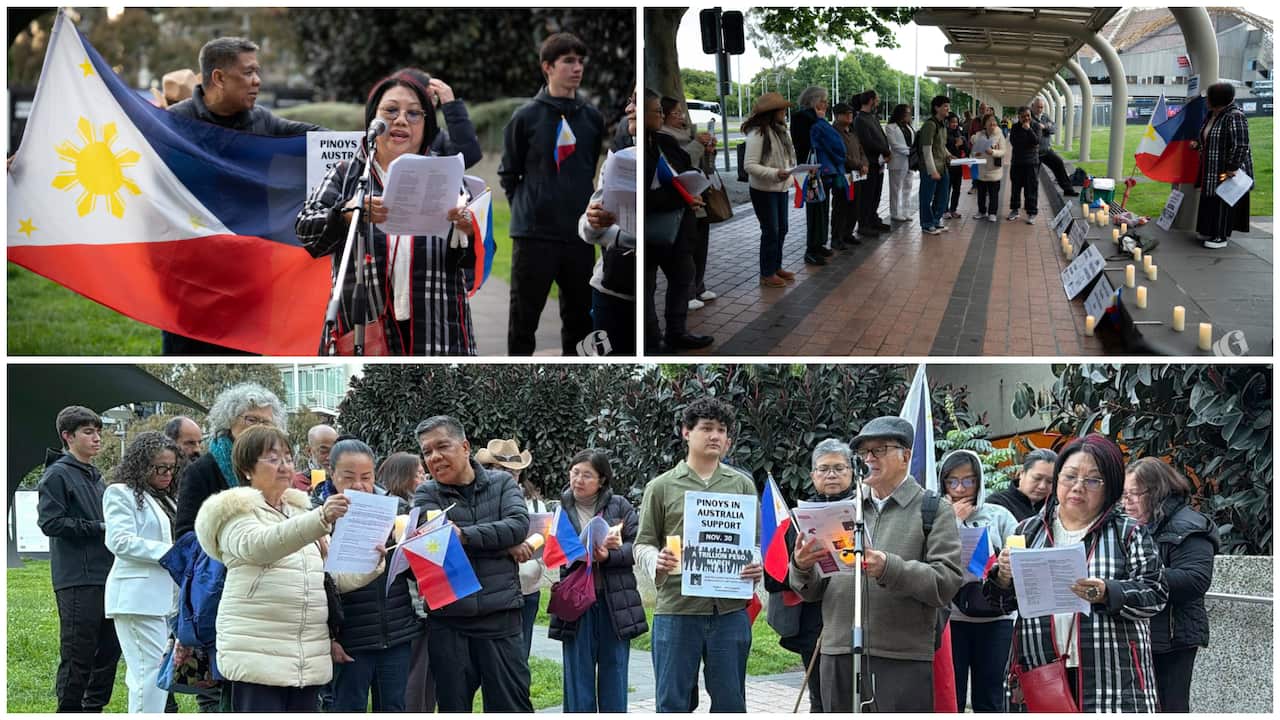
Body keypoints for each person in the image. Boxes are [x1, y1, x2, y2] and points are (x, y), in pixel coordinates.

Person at [193, 424, 373, 712]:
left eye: (288, 458)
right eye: (273, 458)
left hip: (305, 655)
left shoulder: (301, 513)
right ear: (247, 468)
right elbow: (262, 545)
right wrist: (321, 517)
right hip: (258, 654)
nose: (284, 466)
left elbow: (330, 579)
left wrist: (374, 562)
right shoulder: (236, 514)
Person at [297, 71, 478, 356]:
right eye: (391, 110)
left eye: (414, 114)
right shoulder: (346, 174)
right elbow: (306, 230)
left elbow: (472, 265)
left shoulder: (447, 175)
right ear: (373, 119)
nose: (402, 120)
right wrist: (346, 213)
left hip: (437, 327)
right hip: (361, 326)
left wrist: (468, 231)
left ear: (426, 125)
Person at [983, 434, 1167, 712]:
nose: (1078, 487)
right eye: (1069, 476)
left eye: (1093, 480)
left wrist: (1108, 592)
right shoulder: (1028, 531)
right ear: (1057, 480)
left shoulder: (1128, 532)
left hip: (1112, 676)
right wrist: (1004, 576)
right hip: (1040, 669)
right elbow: (1000, 604)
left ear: (1111, 487)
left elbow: (1155, 594)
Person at [789, 420, 963, 712]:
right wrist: (801, 566)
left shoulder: (932, 509)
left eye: (879, 450)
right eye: (864, 452)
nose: (869, 459)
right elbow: (813, 590)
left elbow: (945, 583)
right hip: (839, 651)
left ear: (906, 456)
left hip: (901, 657)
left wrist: (888, 568)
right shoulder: (845, 510)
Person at [165, 36, 321, 356]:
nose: (258, 81)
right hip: (189, 283)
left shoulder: (262, 121)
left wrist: (373, 141)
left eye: (257, 72)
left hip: (249, 279)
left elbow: (317, 140)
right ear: (219, 78)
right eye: (248, 73)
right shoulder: (173, 125)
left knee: (247, 354)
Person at [634, 397, 764, 712]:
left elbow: (757, 542)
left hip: (730, 612)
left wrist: (755, 563)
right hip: (677, 610)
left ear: (729, 439)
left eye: (722, 430)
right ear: (686, 433)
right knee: (672, 702)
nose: (715, 436)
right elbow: (642, 543)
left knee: (731, 703)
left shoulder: (742, 485)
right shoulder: (661, 486)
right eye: (706, 428)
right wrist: (657, 560)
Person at [412, 416, 533, 712]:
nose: (435, 457)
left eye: (442, 446)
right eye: (427, 452)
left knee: (512, 707)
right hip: (449, 622)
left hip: (500, 618)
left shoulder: (502, 482)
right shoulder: (426, 494)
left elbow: (518, 526)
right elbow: (437, 549)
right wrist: (502, 546)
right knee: (453, 708)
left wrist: (464, 535)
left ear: (465, 447)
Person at [499, 32, 604, 356]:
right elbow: (508, 173)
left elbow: (588, 170)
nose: (577, 68)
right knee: (523, 322)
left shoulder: (592, 117)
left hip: (579, 237)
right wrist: (529, 208)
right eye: (569, 61)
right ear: (547, 67)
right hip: (533, 237)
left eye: (581, 61)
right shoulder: (525, 116)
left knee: (581, 324)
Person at [547, 449, 647, 712]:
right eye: (575, 473)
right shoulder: (559, 510)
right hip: (576, 602)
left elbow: (637, 546)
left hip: (614, 601)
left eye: (587, 475)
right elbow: (551, 551)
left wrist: (608, 555)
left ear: (602, 480)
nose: (578, 480)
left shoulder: (620, 506)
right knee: (577, 674)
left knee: (614, 670)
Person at [326, 439, 420, 712]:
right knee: (347, 707)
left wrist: (409, 544)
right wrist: (330, 637)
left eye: (366, 477)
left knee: (393, 707)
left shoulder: (395, 511)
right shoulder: (318, 518)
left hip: (396, 632)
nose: (358, 485)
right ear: (332, 474)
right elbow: (317, 586)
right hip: (350, 639)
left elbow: (413, 573)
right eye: (348, 477)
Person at [37, 406, 121, 713]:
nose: (97, 438)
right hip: (77, 579)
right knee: (78, 656)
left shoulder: (96, 476)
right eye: (88, 432)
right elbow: (50, 523)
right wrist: (97, 527)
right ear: (67, 436)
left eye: (98, 431)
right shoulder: (56, 474)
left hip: (107, 576)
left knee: (109, 653)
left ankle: (93, 710)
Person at [1122, 457, 1218, 712]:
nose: (1126, 501)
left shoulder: (1188, 525)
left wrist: (1138, 577)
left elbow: (1195, 579)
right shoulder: (1138, 526)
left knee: (1170, 706)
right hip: (1142, 630)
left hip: (1175, 634)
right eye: (1123, 494)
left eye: (1134, 494)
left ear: (1157, 492)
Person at [103, 431, 180, 713]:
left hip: (162, 599)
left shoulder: (166, 499)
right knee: (148, 675)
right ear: (141, 464)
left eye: (171, 467)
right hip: (137, 597)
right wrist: (170, 552)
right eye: (160, 467)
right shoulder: (119, 493)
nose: (167, 473)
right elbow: (119, 541)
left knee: (152, 674)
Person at [937, 450, 1018, 712]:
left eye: (968, 481)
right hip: (953, 619)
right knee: (952, 695)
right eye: (953, 481)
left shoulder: (999, 515)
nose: (961, 489)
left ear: (979, 482)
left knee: (991, 696)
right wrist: (951, 521)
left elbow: (1019, 556)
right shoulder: (935, 516)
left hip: (996, 619)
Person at [644, 89, 711, 352]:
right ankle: (652, 339)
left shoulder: (665, 142)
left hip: (679, 225)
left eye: (662, 110)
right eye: (657, 111)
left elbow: (685, 170)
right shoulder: (633, 147)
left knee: (683, 276)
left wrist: (693, 184)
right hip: (649, 229)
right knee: (647, 285)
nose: (661, 115)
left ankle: (677, 331)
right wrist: (682, 197)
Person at [175, 382, 287, 538]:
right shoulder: (201, 471)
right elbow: (185, 536)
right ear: (229, 420)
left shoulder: (278, 469)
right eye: (251, 419)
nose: (259, 427)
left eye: (266, 423)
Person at [579, 89, 637, 355]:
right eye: (630, 100)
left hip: (642, 289)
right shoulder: (617, 162)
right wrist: (594, 221)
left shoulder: (659, 160)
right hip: (609, 289)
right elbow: (587, 229)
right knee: (601, 358)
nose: (629, 108)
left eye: (637, 101)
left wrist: (616, 235)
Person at [474, 438, 543, 659]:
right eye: (501, 470)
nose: (508, 476)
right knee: (491, 655)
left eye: (513, 472)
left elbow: (545, 539)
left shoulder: (534, 504)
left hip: (528, 585)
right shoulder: (481, 501)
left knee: (522, 652)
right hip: (494, 588)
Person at [657, 96, 714, 310]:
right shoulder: (663, 138)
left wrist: (708, 151)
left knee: (701, 245)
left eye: (682, 112)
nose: (681, 116)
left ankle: (698, 286)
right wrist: (698, 144)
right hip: (684, 198)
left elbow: (703, 167)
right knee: (686, 249)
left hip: (700, 194)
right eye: (676, 113)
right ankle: (688, 292)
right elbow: (681, 165)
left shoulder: (688, 135)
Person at [742, 92, 798, 289]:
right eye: (782, 109)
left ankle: (776, 266)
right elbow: (749, 165)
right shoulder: (758, 133)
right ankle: (767, 273)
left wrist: (788, 175)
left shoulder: (780, 131)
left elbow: (787, 160)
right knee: (771, 231)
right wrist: (776, 173)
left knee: (782, 229)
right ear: (772, 112)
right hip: (763, 190)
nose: (785, 112)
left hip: (780, 189)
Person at [1192, 82, 1255, 249]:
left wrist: (1231, 168)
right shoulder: (1213, 115)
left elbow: (1241, 144)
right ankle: (1208, 230)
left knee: (1222, 201)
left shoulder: (1234, 116)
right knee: (1210, 199)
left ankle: (1220, 236)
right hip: (1211, 167)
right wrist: (1198, 144)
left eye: (1209, 98)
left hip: (1226, 170)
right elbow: (1210, 137)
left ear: (1216, 100)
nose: (1206, 101)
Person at [391, 67, 483, 169]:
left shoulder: (437, 138)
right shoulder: (379, 134)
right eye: (429, 97)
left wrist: (451, 106)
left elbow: (468, 156)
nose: (433, 104)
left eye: (435, 98)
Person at [793, 87, 835, 266]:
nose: (826, 105)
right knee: (814, 209)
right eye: (823, 101)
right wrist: (819, 120)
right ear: (813, 101)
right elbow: (809, 141)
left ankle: (820, 243)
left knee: (823, 206)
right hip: (810, 169)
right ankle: (811, 248)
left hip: (821, 169)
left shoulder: (817, 118)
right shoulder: (802, 118)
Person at [853, 90, 892, 236]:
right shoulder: (860, 119)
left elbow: (881, 136)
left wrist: (886, 151)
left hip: (879, 162)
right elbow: (867, 142)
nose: (878, 101)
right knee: (867, 194)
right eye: (877, 99)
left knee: (876, 193)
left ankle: (873, 218)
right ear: (871, 100)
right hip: (869, 162)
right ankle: (864, 224)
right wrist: (885, 152)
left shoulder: (872, 117)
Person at [832, 102, 869, 250]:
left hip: (857, 176)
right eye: (846, 113)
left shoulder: (852, 132)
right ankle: (837, 237)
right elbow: (841, 155)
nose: (850, 116)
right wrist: (859, 165)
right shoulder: (834, 132)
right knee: (841, 206)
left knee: (854, 205)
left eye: (851, 114)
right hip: (843, 175)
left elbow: (861, 151)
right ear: (837, 115)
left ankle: (848, 233)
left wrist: (865, 164)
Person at [985, 448, 1057, 522]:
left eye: (1049, 481)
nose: (1042, 486)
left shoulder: (1055, 507)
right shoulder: (997, 503)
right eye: (1037, 478)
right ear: (1021, 473)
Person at [918, 95, 954, 236]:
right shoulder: (930, 125)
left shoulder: (942, 125)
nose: (948, 108)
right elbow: (927, 149)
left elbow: (941, 146)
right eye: (945, 105)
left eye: (948, 105)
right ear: (936, 107)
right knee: (926, 197)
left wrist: (948, 154)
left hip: (942, 166)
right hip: (930, 167)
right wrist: (932, 170)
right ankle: (927, 223)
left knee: (943, 196)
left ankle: (935, 220)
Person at [1030, 97, 1077, 197]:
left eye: (1041, 107)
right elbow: (1032, 130)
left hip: (1046, 151)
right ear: (1032, 106)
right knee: (1033, 178)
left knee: (1059, 163)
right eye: (1038, 107)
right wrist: (1043, 126)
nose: (1040, 109)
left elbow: (1054, 128)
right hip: (1034, 153)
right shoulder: (1028, 117)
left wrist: (1045, 127)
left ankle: (1068, 189)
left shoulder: (1045, 116)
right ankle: (1031, 203)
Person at [1006, 105, 1040, 225]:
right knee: (1015, 188)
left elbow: (1036, 141)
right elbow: (1015, 143)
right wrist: (1028, 142)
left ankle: (1031, 212)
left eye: (1028, 116)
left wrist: (1028, 130)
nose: (1026, 118)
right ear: (1018, 117)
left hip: (1031, 163)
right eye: (1023, 116)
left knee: (1031, 188)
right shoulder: (1015, 127)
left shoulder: (1035, 125)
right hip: (1017, 162)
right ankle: (1015, 210)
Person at [969, 113, 1006, 222]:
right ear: (984, 124)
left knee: (994, 193)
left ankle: (992, 213)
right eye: (989, 121)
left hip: (994, 170)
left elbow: (1003, 151)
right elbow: (974, 151)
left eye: (994, 121)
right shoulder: (979, 135)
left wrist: (993, 152)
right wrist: (976, 153)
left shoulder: (999, 135)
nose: (992, 123)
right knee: (981, 193)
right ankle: (981, 211)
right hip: (982, 169)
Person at [884, 104, 915, 223]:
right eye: (906, 113)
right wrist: (910, 151)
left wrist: (912, 152)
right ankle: (895, 212)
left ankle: (906, 211)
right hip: (897, 160)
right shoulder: (890, 127)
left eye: (909, 113)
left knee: (908, 186)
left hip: (910, 161)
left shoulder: (909, 127)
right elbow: (894, 144)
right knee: (896, 188)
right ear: (900, 113)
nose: (908, 115)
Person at [292, 424, 338, 491]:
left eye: (335, 451)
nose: (330, 457)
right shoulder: (296, 483)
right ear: (309, 451)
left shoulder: (344, 482)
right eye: (324, 451)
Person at [943, 113, 970, 220]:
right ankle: (944, 210)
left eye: (956, 122)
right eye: (952, 122)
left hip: (958, 165)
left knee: (957, 189)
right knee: (946, 188)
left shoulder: (960, 133)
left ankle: (953, 209)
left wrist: (962, 143)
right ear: (947, 123)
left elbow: (966, 149)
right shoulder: (944, 133)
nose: (954, 124)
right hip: (948, 165)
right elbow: (944, 148)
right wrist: (955, 144)